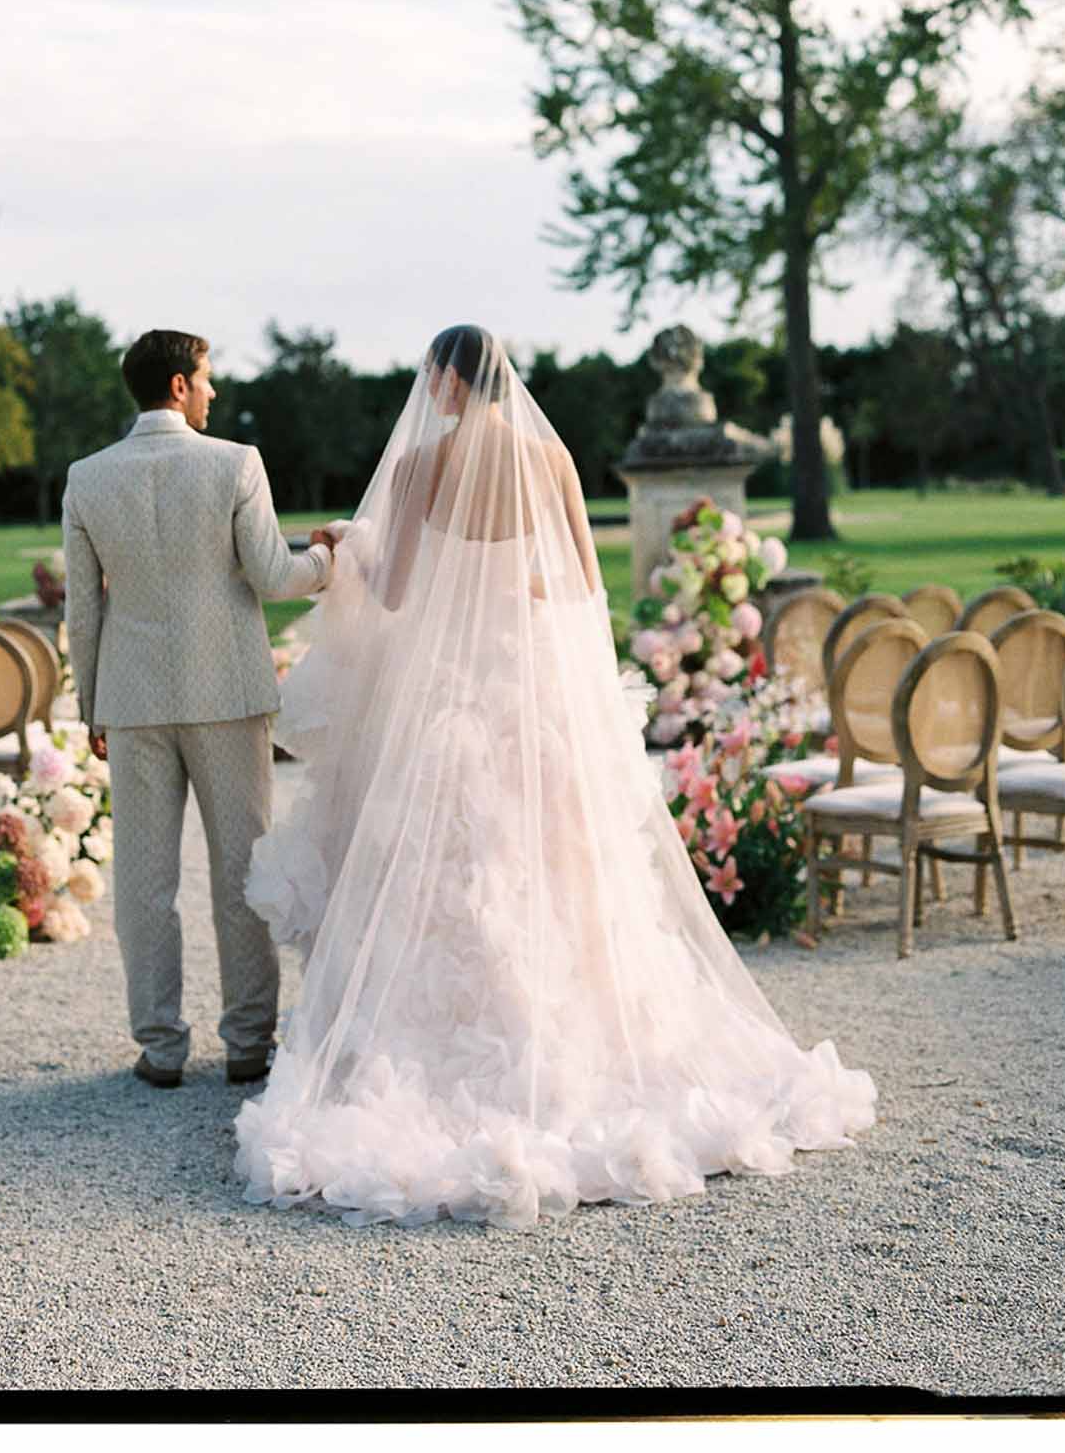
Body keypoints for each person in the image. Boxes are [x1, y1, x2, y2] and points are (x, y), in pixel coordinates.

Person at [236, 324, 876, 1229]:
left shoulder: (420, 466)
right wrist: (509, 596)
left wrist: (352, 543)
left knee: (449, 855)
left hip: (449, 689)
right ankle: (588, 1033)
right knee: (560, 853)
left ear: (448, 384)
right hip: (534, 674)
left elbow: (394, 595)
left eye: (432, 378)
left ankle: (431, 1037)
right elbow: (581, 586)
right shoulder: (552, 457)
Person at [62, 329, 334, 1089]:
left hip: (134, 701)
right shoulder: (235, 464)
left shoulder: (87, 477)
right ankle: (249, 1042)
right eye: (208, 379)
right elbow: (276, 575)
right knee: (241, 870)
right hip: (228, 697)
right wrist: (332, 560)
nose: (214, 393)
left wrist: (93, 707)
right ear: (179, 386)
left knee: (144, 882)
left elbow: (84, 615)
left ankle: (160, 1048)